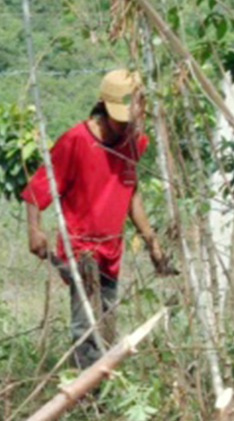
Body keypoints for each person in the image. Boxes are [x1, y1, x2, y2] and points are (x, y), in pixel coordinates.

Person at [21, 69, 175, 368]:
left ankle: (98, 390)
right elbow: (37, 189)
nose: (127, 126)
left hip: (112, 251)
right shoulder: (75, 141)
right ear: (104, 107)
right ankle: (88, 398)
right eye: (122, 119)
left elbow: (130, 193)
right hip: (81, 250)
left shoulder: (134, 143)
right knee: (87, 329)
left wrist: (152, 243)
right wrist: (34, 230)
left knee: (106, 325)